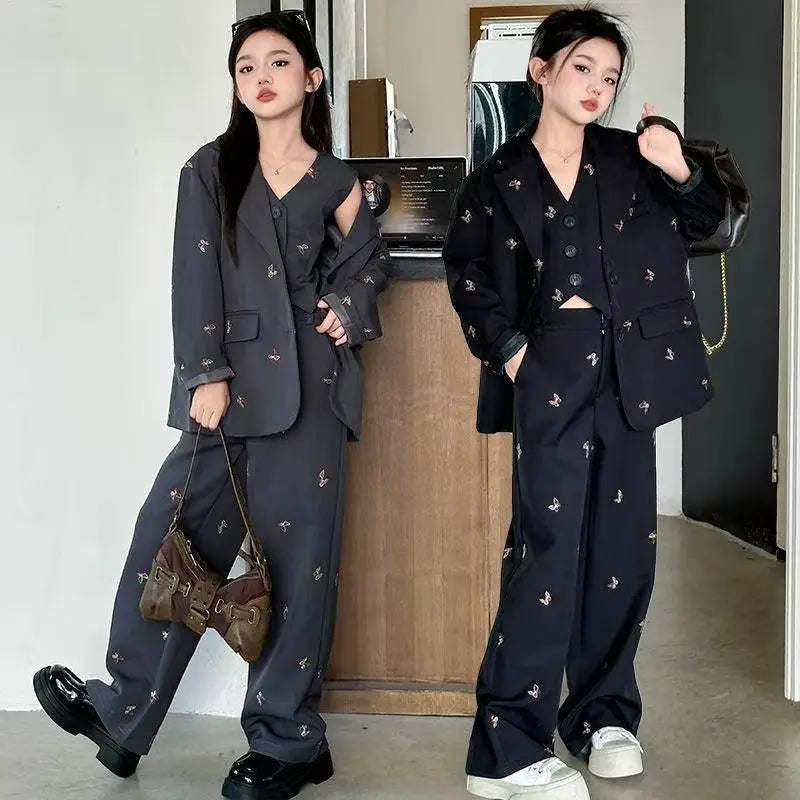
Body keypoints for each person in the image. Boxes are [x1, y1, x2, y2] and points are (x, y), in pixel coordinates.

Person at [33, 11, 390, 800]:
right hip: (227, 387)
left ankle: (289, 739)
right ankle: (124, 710)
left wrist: (346, 305)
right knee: (171, 539)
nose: (261, 76)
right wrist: (204, 373)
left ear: (312, 78)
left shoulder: (337, 180)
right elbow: (192, 276)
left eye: (279, 62)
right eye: (246, 66)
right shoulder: (209, 169)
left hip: (312, 389)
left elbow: (369, 262)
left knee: (297, 566)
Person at [442, 7, 737, 800]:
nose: (598, 87)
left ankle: (603, 717)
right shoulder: (497, 176)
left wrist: (679, 166)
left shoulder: (632, 159)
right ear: (540, 70)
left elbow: (712, 224)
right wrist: (513, 352)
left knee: (623, 550)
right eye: (583, 68)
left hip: (630, 371)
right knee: (546, 550)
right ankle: (505, 749)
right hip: (548, 368)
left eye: (610, 76)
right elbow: (466, 274)